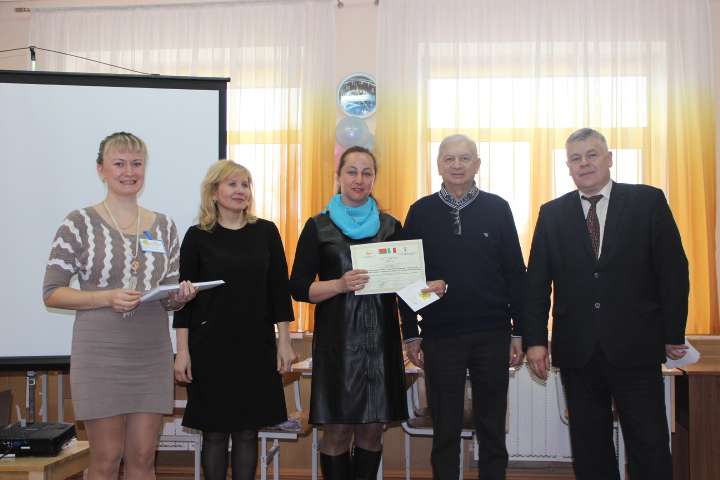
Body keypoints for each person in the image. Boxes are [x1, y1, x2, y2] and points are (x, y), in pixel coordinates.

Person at [523, 128, 689, 480]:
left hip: (637, 346)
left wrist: (673, 333)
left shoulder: (647, 201)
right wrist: (535, 340)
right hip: (577, 350)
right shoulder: (552, 214)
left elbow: (673, 271)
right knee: (589, 448)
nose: (584, 163)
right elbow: (536, 283)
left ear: (609, 158)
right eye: (576, 158)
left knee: (649, 444)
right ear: (568, 167)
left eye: (592, 154)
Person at [43, 132, 197, 480]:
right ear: (101, 170)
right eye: (119, 163)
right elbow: (52, 292)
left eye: (137, 163)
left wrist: (179, 297)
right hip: (100, 354)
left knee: (142, 458)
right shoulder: (78, 223)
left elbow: (168, 293)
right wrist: (106, 297)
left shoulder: (164, 225)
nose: (129, 171)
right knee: (106, 458)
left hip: (151, 353)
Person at [399, 134, 526, 480]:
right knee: (445, 430)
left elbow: (516, 274)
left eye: (465, 158)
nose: (457, 165)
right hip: (440, 336)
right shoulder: (420, 211)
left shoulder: (497, 208)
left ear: (477, 164)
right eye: (449, 159)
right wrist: (411, 334)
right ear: (438, 166)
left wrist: (519, 332)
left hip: (493, 335)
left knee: (492, 428)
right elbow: (405, 278)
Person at [289, 146, 408, 480]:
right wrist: (338, 285)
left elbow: (409, 286)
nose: (359, 179)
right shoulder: (318, 226)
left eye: (366, 173)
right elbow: (298, 287)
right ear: (338, 177)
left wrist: (432, 288)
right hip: (337, 346)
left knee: (372, 432)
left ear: (374, 179)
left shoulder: (391, 226)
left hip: (381, 344)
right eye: (351, 172)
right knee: (337, 433)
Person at [173, 160, 296, 480]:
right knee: (213, 432)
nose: (241, 190)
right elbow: (183, 301)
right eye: (232, 184)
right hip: (209, 348)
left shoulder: (266, 232)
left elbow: (279, 292)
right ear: (213, 192)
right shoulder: (197, 236)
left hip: (256, 346)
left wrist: (284, 343)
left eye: (245, 185)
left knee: (247, 432)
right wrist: (182, 352)